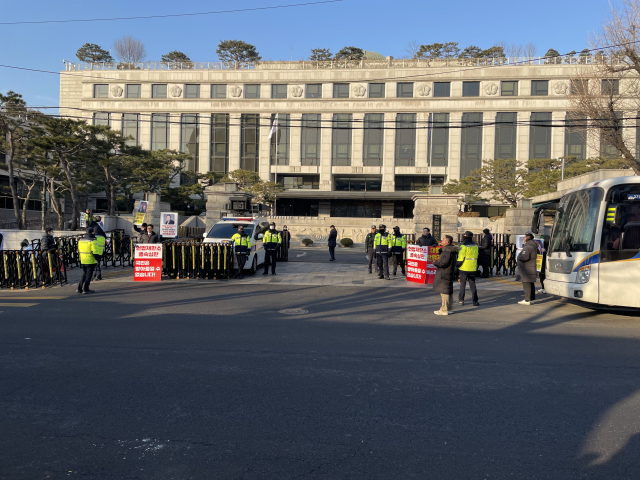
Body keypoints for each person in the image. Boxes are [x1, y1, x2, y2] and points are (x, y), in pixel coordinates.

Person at [432, 235, 458, 315]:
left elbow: (443, 263)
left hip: (444, 273)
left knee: (444, 292)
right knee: (448, 291)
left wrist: (435, 262)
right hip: (448, 272)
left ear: (447, 242)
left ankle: (444, 309)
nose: (441, 240)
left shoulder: (446, 251)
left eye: (443, 239)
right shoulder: (450, 250)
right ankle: (449, 308)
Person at [457, 231, 480, 306]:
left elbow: (460, 258)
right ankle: (475, 301)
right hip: (473, 268)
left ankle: (461, 300)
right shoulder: (476, 246)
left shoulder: (464, 246)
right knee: (472, 284)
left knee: (462, 284)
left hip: (464, 268)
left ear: (466, 236)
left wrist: (456, 265)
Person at [517, 231, 539, 305]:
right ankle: (531, 298)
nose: (523, 239)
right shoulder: (534, 246)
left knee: (526, 284)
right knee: (531, 283)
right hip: (531, 267)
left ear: (526, 238)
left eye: (524, 237)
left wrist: (518, 257)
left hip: (526, 268)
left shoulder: (527, 247)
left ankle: (527, 300)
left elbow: (524, 257)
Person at [77, 227, 99, 294]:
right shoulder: (93, 241)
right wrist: (98, 259)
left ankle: (79, 288)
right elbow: (94, 252)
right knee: (89, 275)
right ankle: (86, 289)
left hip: (83, 260)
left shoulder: (81, 240)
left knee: (84, 274)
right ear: (92, 232)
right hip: (90, 260)